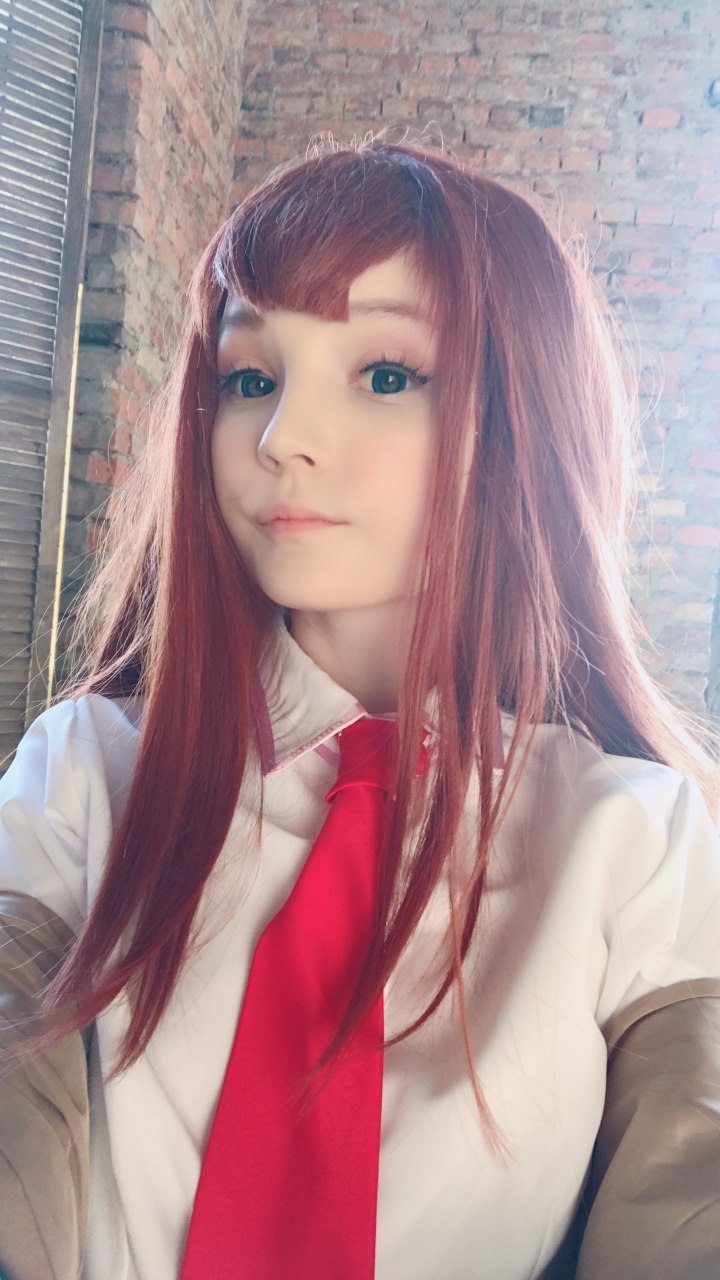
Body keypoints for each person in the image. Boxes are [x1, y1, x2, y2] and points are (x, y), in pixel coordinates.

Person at [0, 135, 718, 1280]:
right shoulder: (83, 778)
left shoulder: (634, 840)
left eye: (386, 374)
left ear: (520, 415)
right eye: (250, 377)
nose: (283, 436)